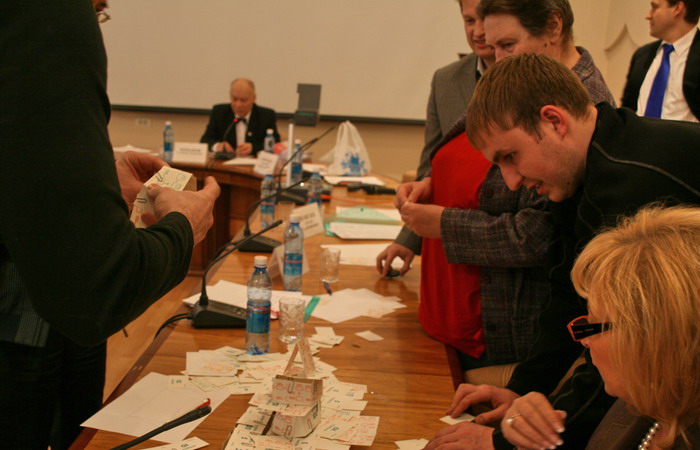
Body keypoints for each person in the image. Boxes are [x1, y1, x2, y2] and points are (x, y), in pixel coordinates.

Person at [426, 53, 700, 449]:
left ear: (554, 121)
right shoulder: (584, 166)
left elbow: (619, 352)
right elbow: (568, 296)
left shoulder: (631, 183)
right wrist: (524, 390)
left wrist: (507, 443)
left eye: (510, 157)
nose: (512, 181)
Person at [0, 2, 220, 448]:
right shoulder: (49, 15)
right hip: (22, 325)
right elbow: (97, 289)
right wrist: (185, 225)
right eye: (96, 12)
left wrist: (91, 184)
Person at [382, 0, 614, 388]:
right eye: (492, 46)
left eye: (507, 45)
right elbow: (467, 153)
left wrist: (444, 224)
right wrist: (434, 183)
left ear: (553, 27)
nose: (495, 59)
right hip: (456, 310)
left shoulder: (583, 105)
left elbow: (540, 234)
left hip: (510, 326)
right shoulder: (519, 81)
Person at [501, 205, 700, 449]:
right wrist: (529, 438)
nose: (584, 340)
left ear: (654, 336)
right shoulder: (644, 401)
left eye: (593, 325)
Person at [378, 0, 495, 278]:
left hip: (497, 243)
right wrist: (408, 238)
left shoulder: (532, 76)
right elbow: (431, 168)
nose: (478, 31)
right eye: (469, 21)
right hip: (448, 256)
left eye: (484, 20)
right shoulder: (446, 80)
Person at [621, 0, 699, 122]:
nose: (648, 16)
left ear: (677, 9)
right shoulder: (642, 55)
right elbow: (627, 110)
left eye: (655, 7)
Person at [200, 78, 281, 157]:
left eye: (243, 100)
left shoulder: (266, 116)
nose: (238, 105)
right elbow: (205, 140)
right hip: (225, 163)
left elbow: (276, 143)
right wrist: (218, 146)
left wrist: (253, 148)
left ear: (254, 98)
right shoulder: (219, 112)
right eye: (234, 99)